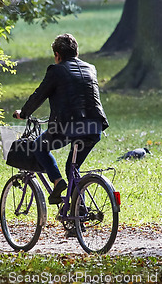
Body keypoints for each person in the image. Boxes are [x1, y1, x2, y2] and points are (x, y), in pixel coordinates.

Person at [14, 33, 108, 205]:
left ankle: (57, 182)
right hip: (95, 127)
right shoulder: (91, 68)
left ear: (57, 55)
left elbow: (39, 95)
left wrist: (24, 113)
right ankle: (77, 212)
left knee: (38, 146)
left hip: (68, 127)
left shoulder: (56, 70)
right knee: (73, 168)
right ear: (76, 53)